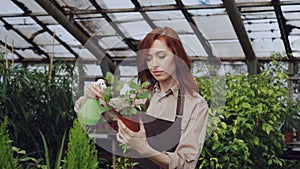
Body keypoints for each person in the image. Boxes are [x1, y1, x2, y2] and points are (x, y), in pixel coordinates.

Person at [74, 27, 208, 169]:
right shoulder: (141, 96)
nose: (154, 64)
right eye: (149, 58)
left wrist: (144, 149)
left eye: (161, 56)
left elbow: (186, 164)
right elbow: (106, 112)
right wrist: (91, 97)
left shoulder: (194, 104)